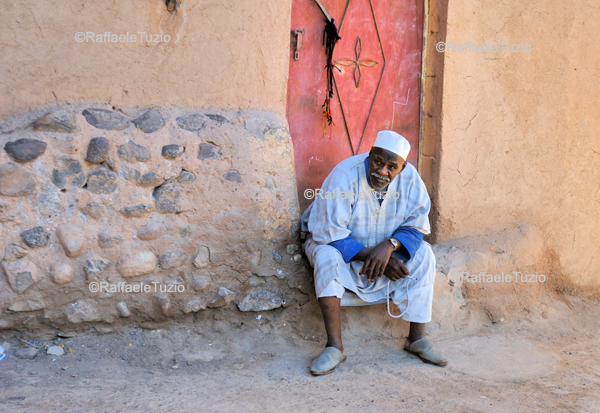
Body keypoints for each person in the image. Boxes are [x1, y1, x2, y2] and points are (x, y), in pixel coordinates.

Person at [301, 130, 447, 376]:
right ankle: (335, 347)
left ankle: (416, 339)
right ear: (370, 154)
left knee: (425, 255)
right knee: (326, 256)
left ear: (402, 168)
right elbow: (328, 233)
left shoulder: (411, 180)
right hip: (341, 249)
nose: (382, 171)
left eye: (392, 167)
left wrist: (390, 247)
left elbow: (417, 226)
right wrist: (375, 257)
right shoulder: (345, 175)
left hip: (381, 253)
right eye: (378, 162)